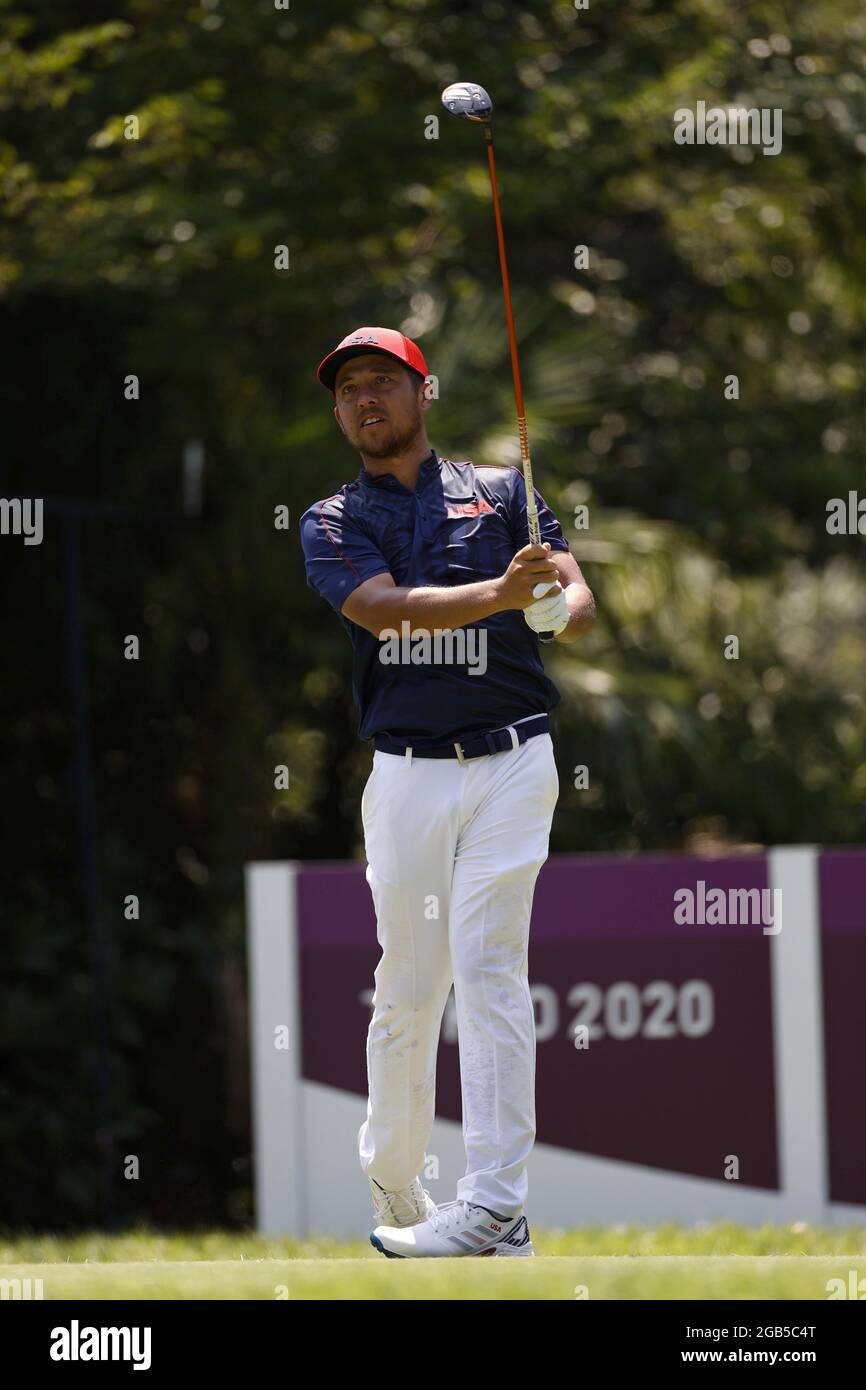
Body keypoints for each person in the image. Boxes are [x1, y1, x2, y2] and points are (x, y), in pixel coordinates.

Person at [299, 327, 596, 1257]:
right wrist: (503, 600)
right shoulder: (331, 520)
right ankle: (396, 1185)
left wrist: (558, 605)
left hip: (512, 761)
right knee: (409, 989)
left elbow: (574, 595)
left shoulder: (505, 492)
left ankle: (499, 1207)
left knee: (491, 969)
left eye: (383, 382)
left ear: (424, 393)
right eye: (348, 390)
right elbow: (384, 612)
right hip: (407, 775)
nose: (364, 400)